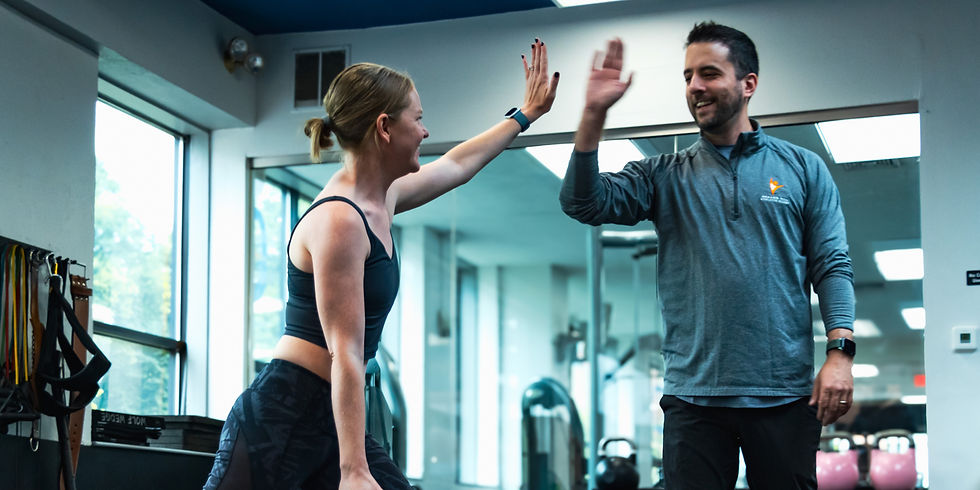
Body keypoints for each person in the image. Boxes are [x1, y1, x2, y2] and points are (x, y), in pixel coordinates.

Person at [204, 40, 559, 490]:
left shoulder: (380, 199)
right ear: (385, 127)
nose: (426, 132)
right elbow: (346, 353)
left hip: (328, 411)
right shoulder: (340, 220)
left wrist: (524, 116)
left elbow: (456, 165)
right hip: (283, 416)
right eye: (419, 119)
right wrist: (354, 469)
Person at [559, 23, 855, 489]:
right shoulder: (663, 175)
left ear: (748, 84)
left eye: (709, 73)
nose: (695, 86)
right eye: (688, 76)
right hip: (694, 397)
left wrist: (840, 352)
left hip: (783, 395)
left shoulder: (801, 167)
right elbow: (584, 202)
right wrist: (594, 113)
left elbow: (831, 263)